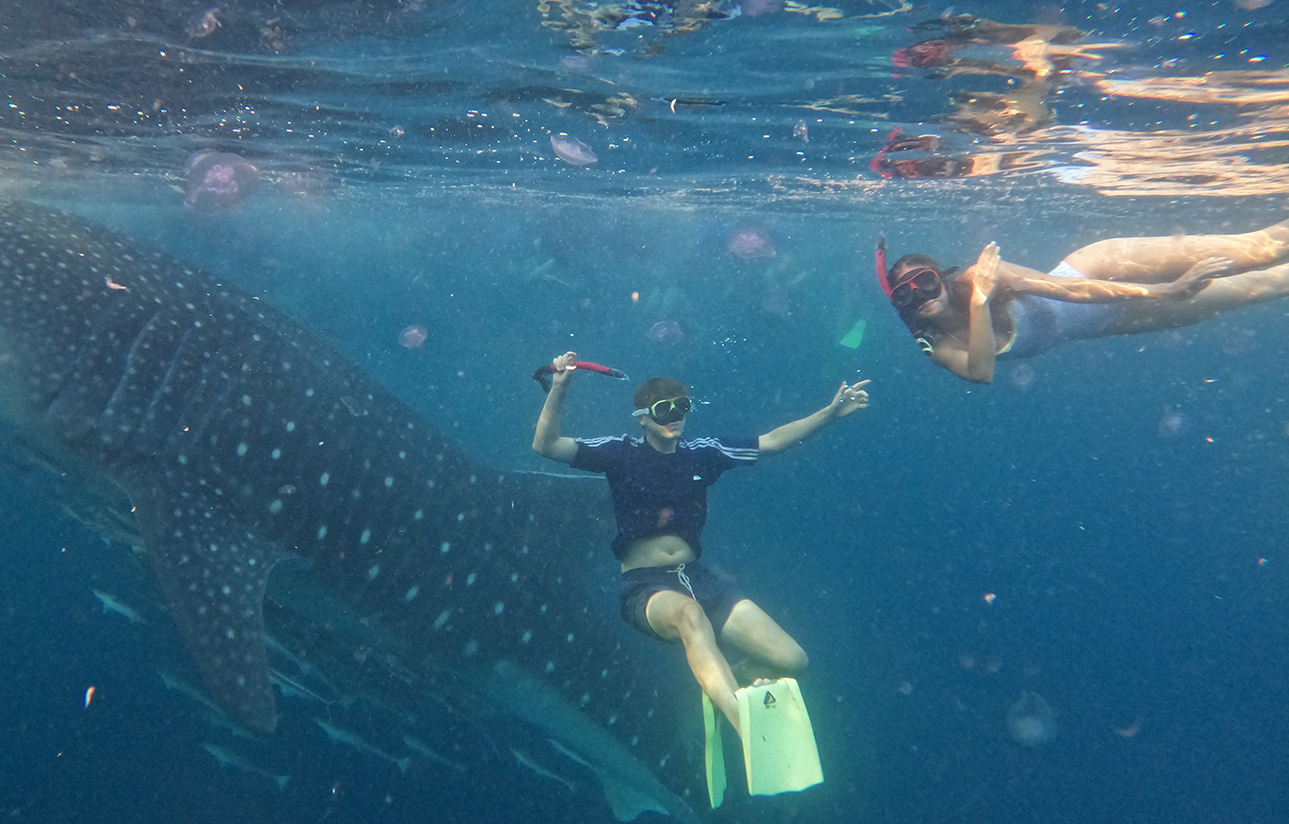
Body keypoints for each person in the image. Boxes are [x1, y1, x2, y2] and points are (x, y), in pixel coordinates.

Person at [532, 353, 869, 735]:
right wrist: (559, 388)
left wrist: (829, 413)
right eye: (663, 409)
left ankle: (722, 681)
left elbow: (772, 441)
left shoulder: (703, 454)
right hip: (645, 587)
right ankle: (744, 725)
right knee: (689, 615)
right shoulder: (620, 453)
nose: (674, 415)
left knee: (793, 660)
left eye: (682, 407)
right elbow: (546, 445)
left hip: (700, 579)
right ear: (642, 418)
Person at [879, 220, 1289, 383]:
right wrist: (980, 304)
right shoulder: (943, 347)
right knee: (1256, 288)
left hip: (1095, 269)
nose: (920, 295)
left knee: (1257, 249)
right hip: (1109, 321)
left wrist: (1162, 290)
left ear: (942, 277)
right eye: (906, 293)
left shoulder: (982, 275)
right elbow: (981, 371)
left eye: (925, 281)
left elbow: (1069, 291)